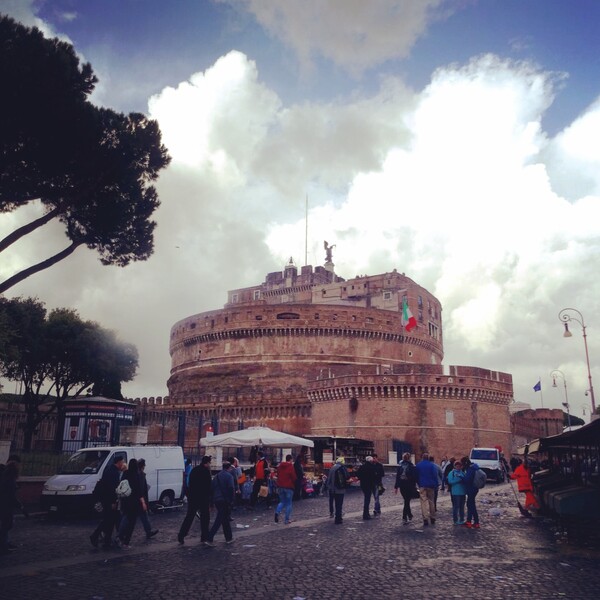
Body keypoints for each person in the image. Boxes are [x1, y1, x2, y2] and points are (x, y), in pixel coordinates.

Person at [90, 454, 126, 549]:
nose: (123, 463)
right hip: (110, 500)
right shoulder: (114, 473)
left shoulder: (109, 469)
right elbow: (112, 488)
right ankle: (95, 536)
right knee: (108, 520)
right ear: (118, 462)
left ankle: (107, 540)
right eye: (122, 462)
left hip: (106, 499)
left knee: (111, 520)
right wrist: (113, 501)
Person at [178, 455, 212, 545]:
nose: (210, 465)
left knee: (189, 517)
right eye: (209, 463)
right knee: (205, 518)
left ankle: (181, 535)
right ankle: (204, 536)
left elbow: (189, 483)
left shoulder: (194, 470)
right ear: (207, 463)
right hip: (203, 498)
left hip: (193, 498)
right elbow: (208, 488)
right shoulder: (206, 472)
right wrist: (210, 501)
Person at [116, 458, 146, 548]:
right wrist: (143, 502)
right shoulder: (136, 475)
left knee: (125, 518)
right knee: (132, 523)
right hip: (134, 502)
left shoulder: (125, 473)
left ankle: (119, 536)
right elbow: (138, 490)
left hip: (125, 500)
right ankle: (126, 541)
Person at [0, 459, 28, 554]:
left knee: (6, 525)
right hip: (6, 506)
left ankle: (5, 544)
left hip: (4, 505)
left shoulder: (4, 478)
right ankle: (3, 546)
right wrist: (20, 506)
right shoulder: (10, 481)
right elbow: (11, 497)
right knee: (6, 526)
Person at [206, 461, 235, 546]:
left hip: (217, 500)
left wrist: (211, 503)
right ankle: (209, 538)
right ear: (229, 468)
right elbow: (231, 488)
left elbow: (211, 490)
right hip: (225, 500)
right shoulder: (229, 476)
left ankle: (229, 538)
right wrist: (232, 500)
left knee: (224, 518)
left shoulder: (216, 476)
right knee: (219, 520)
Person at [415, 452, 438, 526]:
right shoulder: (432, 465)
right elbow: (435, 475)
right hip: (431, 485)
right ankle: (432, 517)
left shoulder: (418, 465)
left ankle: (425, 518)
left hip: (422, 485)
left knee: (423, 502)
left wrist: (418, 483)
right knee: (431, 501)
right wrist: (436, 484)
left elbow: (416, 476)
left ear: (422, 457)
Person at [137, 459, 158, 539]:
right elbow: (141, 489)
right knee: (130, 518)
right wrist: (143, 501)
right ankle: (120, 535)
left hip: (139, 499)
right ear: (143, 466)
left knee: (143, 516)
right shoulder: (141, 475)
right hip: (140, 500)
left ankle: (148, 531)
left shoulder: (138, 474)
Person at [394, 452, 417, 524]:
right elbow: (414, 477)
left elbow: (397, 477)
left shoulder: (400, 466)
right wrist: (415, 486)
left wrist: (396, 487)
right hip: (409, 485)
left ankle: (409, 515)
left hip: (402, 486)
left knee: (406, 500)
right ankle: (404, 516)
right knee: (407, 501)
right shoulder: (412, 466)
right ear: (409, 458)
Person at [274, 454, 297, 524]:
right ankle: (287, 520)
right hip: (288, 487)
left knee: (282, 501)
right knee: (289, 504)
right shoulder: (290, 466)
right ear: (290, 459)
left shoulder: (280, 466)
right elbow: (293, 477)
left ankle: (277, 512)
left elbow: (277, 474)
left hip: (280, 486)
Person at [326, 457, 348, 524]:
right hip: (339, 489)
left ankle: (333, 513)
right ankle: (338, 518)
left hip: (332, 488)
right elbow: (346, 477)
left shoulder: (332, 467)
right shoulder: (341, 468)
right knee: (339, 504)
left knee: (334, 503)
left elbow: (329, 478)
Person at [462, 457, 482, 528]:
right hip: (474, 488)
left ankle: (475, 522)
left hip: (471, 489)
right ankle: (469, 521)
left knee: (471, 505)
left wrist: (462, 477)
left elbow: (467, 479)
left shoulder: (470, 469)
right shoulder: (474, 467)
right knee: (470, 504)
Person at [356, 455, 377, 520]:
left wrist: (362, 479)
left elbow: (358, 475)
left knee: (366, 499)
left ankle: (366, 514)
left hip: (363, 485)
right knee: (367, 500)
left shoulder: (362, 467)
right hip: (370, 485)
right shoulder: (372, 467)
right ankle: (366, 514)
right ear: (371, 460)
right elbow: (374, 477)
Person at [447, 460, 466, 525]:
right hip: (455, 492)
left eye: (459, 466)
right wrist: (458, 480)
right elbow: (450, 481)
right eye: (457, 466)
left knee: (462, 507)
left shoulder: (463, 473)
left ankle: (462, 519)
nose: (458, 467)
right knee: (456, 506)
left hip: (462, 492)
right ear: (454, 466)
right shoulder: (451, 473)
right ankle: (455, 520)